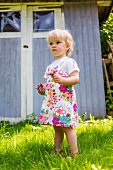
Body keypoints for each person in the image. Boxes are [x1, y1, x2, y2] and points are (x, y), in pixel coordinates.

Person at [37, 29, 80, 157]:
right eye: (51, 43)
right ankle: (57, 150)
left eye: (57, 42)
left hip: (64, 102)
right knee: (56, 127)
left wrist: (63, 80)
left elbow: (75, 78)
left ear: (67, 46)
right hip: (53, 102)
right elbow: (50, 84)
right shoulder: (50, 66)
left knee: (67, 127)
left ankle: (74, 152)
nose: (53, 45)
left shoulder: (69, 62)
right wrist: (43, 90)